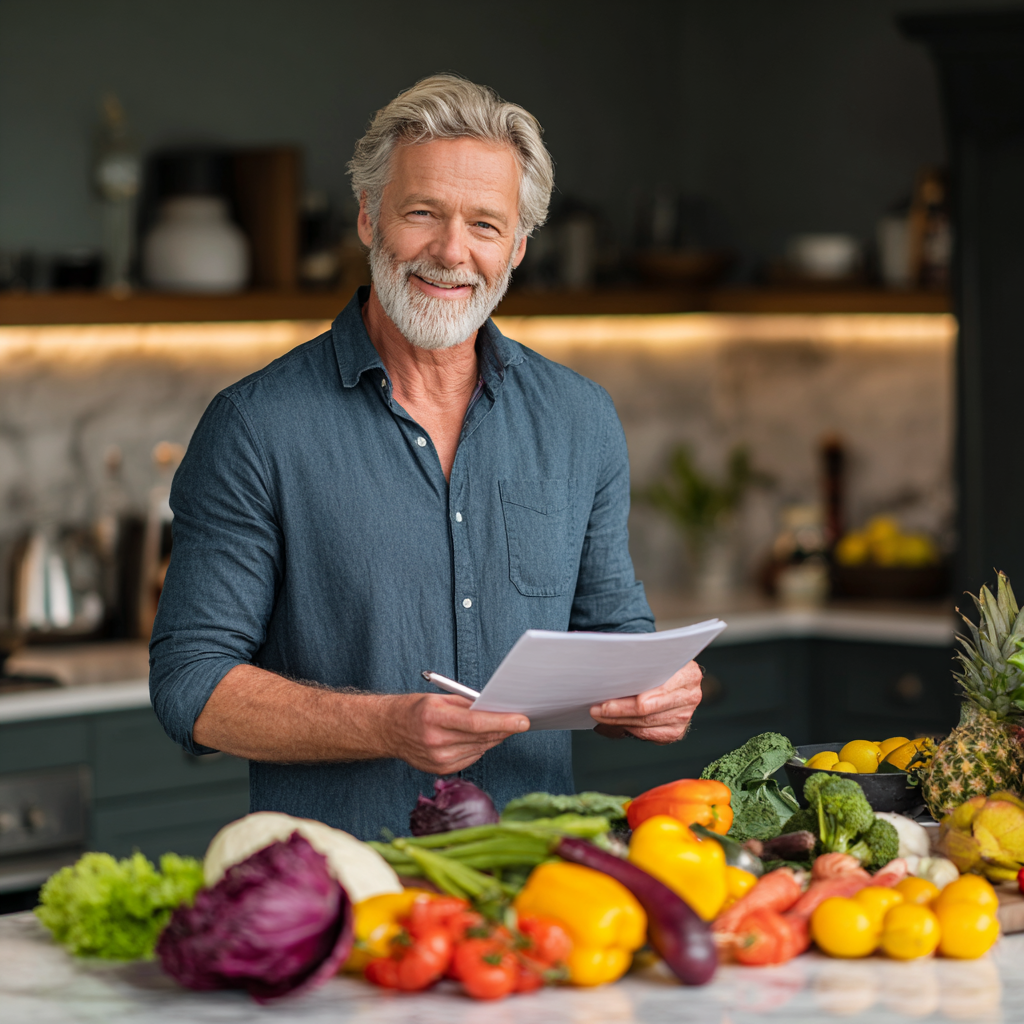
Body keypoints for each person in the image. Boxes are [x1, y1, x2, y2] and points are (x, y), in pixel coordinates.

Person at [150, 75, 702, 840]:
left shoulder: (581, 419)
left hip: (537, 888)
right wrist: (386, 726)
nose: (451, 252)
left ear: (516, 245)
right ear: (370, 217)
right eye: (422, 213)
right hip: (342, 888)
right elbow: (190, 685)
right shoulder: (254, 426)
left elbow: (613, 638)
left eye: (484, 223)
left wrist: (651, 694)